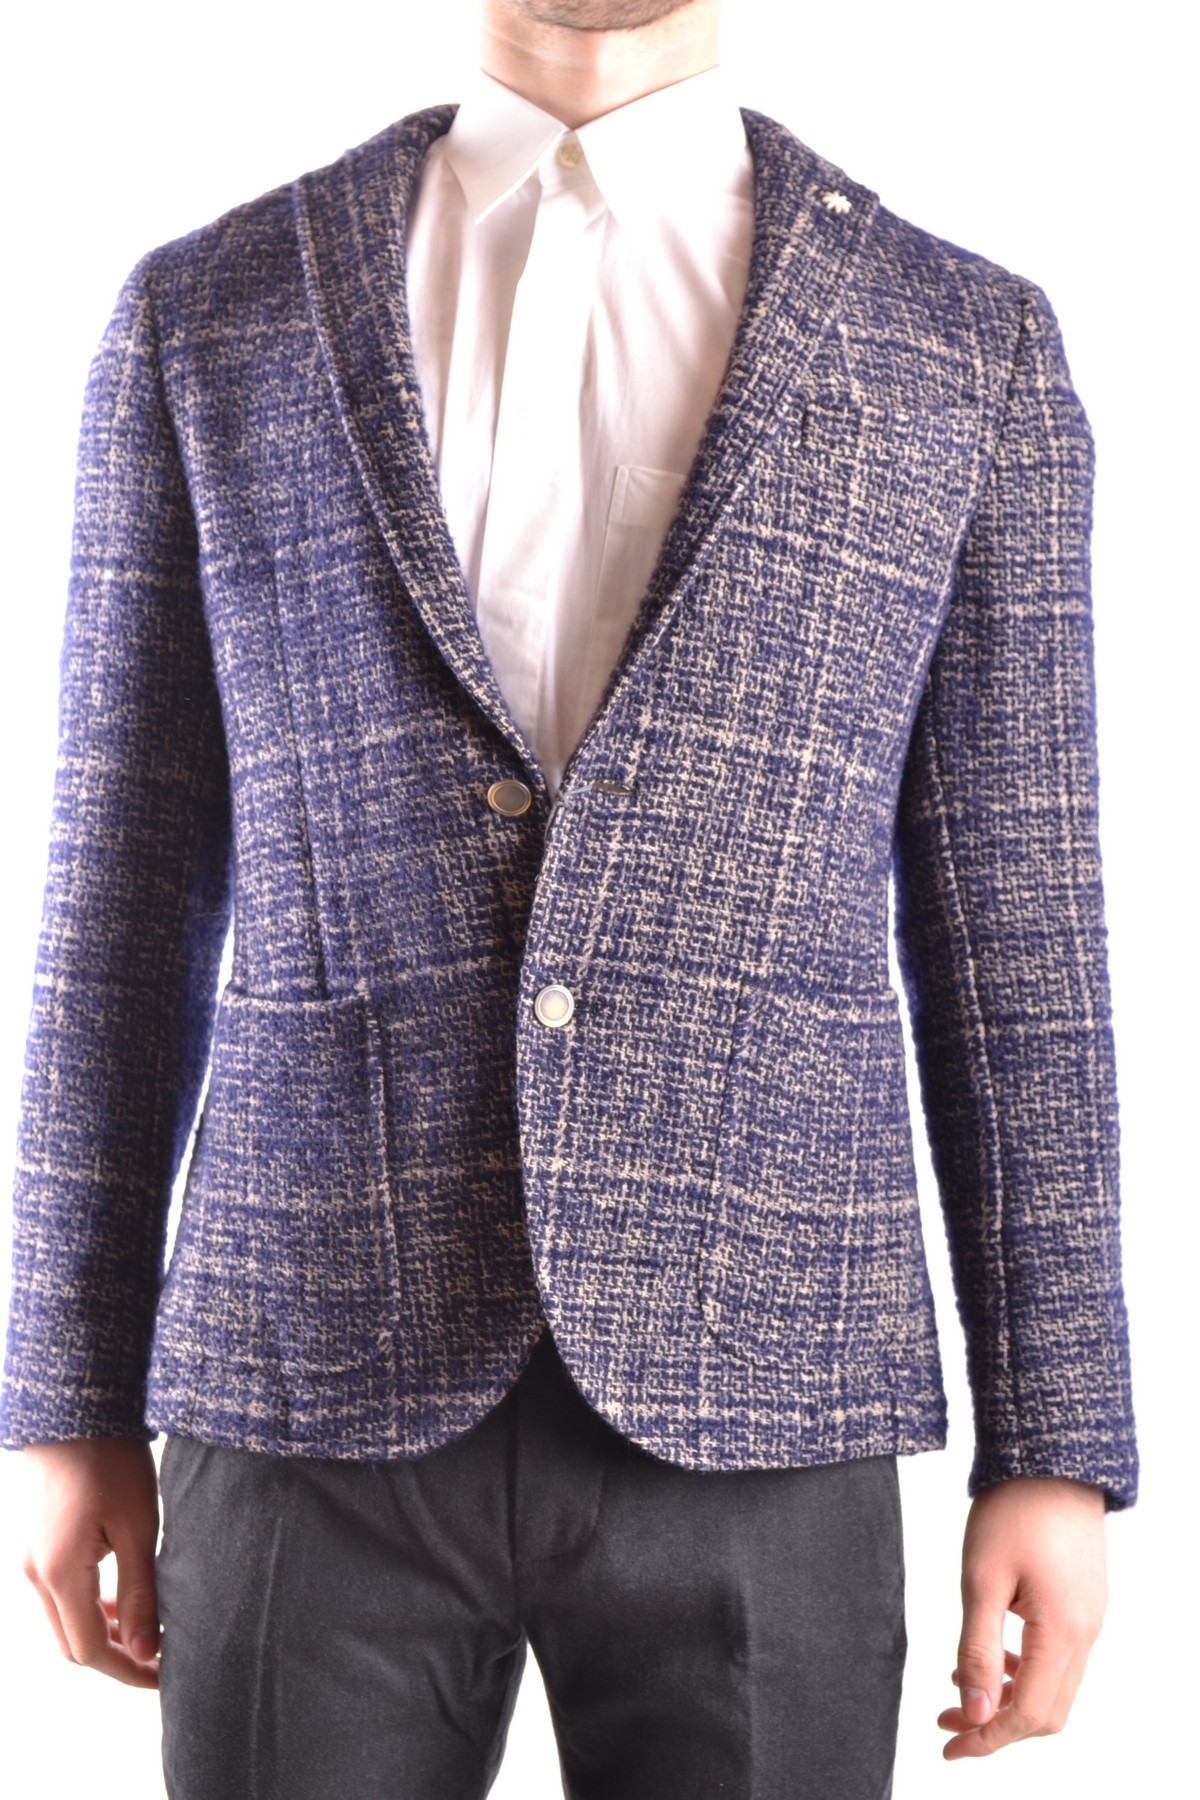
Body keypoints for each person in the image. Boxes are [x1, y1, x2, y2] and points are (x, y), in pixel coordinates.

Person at [3, 1, 1138, 1795]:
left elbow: (1023, 948)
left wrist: (1055, 1443)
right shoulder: (208, 313)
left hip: (767, 1377)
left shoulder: (960, 344)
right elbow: (118, 901)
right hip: (309, 1366)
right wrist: (63, 1396)